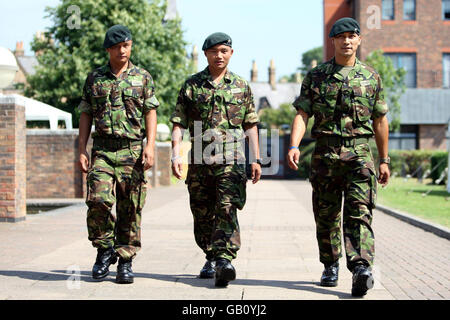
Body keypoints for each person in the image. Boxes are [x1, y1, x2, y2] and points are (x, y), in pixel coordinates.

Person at [287, 17, 390, 297]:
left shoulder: (371, 77)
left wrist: (384, 159)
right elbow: (302, 113)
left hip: (359, 155)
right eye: (340, 36)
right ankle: (330, 264)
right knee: (327, 215)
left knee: (360, 212)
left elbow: (380, 120)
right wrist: (294, 145)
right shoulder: (317, 76)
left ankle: (360, 268)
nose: (346, 40)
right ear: (332, 41)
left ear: (358, 40)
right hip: (326, 156)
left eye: (351, 36)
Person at [170, 32, 262, 287]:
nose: (219, 55)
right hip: (200, 160)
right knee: (202, 212)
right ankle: (210, 255)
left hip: (231, 159)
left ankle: (224, 259)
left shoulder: (242, 86)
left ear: (231, 53)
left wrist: (255, 159)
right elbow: (179, 123)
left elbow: (250, 124)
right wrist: (176, 154)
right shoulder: (192, 85)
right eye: (214, 51)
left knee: (226, 206)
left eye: (224, 51)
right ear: (206, 54)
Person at [78, 25, 159, 284]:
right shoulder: (95, 79)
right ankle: (104, 250)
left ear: (131, 45)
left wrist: (150, 145)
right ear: (108, 49)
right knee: (98, 200)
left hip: (132, 150)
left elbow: (150, 111)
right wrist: (82, 148)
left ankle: (125, 259)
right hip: (102, 150)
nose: (122, 50)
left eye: (126, 45)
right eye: (116, 47)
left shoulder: (143, 77)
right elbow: (86, 113)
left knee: (130, 207)